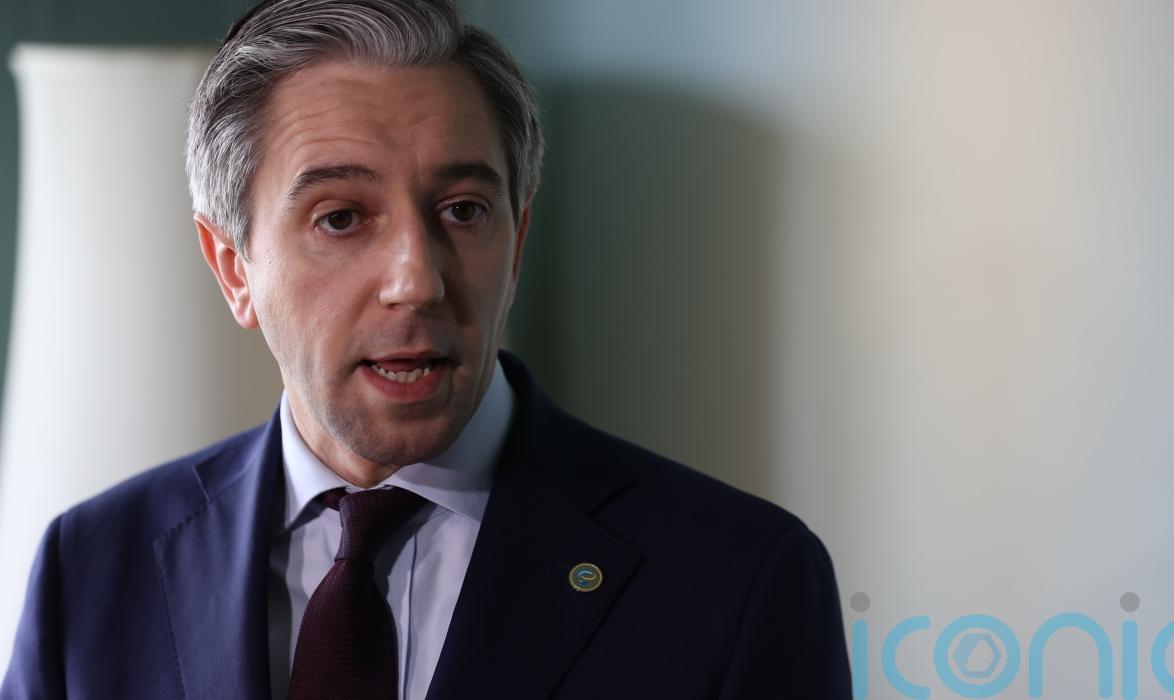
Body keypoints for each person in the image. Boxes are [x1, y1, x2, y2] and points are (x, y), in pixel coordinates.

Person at [1, 1, 851, 697]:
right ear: (233, 267)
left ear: (516, 243)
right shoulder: (94, 565)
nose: (417, 279)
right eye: (341, 218)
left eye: (463, 211)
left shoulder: (739, 578)